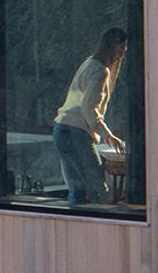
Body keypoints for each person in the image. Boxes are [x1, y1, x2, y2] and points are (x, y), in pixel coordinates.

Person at [54, 27, 127, 205]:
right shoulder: (100, 71)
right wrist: (107, 134)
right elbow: (89, 108)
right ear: (109, 48)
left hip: (62, 129)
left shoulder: (89, 64)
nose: (120, 56)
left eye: (123, 52)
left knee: (78, 191)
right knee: (97, 191)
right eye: (119, 51)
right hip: (76, 132)